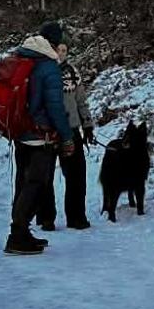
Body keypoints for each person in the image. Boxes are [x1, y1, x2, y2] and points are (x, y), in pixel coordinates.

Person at [1, 21, 75, 255]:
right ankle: (17, 235)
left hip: (20, 131)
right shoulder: (48, 66)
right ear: (54, 41)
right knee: (37, 183)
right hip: (40, 134)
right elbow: (54, 105)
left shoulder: (24, 56)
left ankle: (22, 232)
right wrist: (67, 136)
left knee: (23, 182)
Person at [55, 42, 96, 230]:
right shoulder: (43, 71)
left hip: (71, 129)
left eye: (64, 50)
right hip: (49, 130)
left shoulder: (73, 72)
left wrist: (87, 125)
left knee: (77, 174)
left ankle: (77, 216)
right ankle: (45, 217)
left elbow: (81, 100)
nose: (61, 53)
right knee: (45, 176)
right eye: (58, 50)